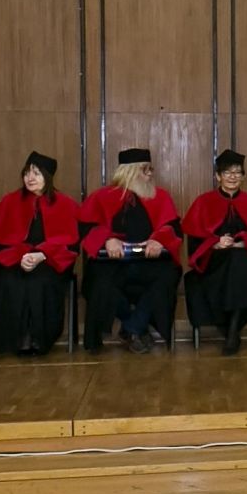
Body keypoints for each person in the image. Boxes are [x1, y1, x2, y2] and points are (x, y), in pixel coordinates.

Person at [79, 149, 183, 354]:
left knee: (168, 276)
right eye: (146, 170)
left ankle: (131, 328)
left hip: (150, 261)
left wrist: (158, 240)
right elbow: (87, 226)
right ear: (130, 171)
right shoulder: (102, 197)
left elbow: (172, 227)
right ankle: (136, 326)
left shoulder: (160, 196)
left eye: (151, 169)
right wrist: (108, 239)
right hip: (112, 261)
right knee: (99, 283)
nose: (150, 174)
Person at [0, 152, 79, 356]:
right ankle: (16, 339)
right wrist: (21, 257)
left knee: (39, 281)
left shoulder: (65, 204)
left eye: (36, 173)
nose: (30, 178)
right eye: (26, 173)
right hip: (14, 261)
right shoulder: (10, 201)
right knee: (11, 281)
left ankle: (38, 339)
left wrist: (42, 255)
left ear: (48, 177)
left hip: (50, 263)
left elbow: (71, 246)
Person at [182, 149, 247, 355]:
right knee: (237, 259)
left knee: (239, 257)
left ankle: (232, 333)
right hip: (214, 264)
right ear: (218, 176)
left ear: (243, 176)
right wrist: (215, 243)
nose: (233, 177)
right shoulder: (204, 202)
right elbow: (195, 241)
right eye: (227, 172)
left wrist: (244, 243)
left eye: (237, 172)